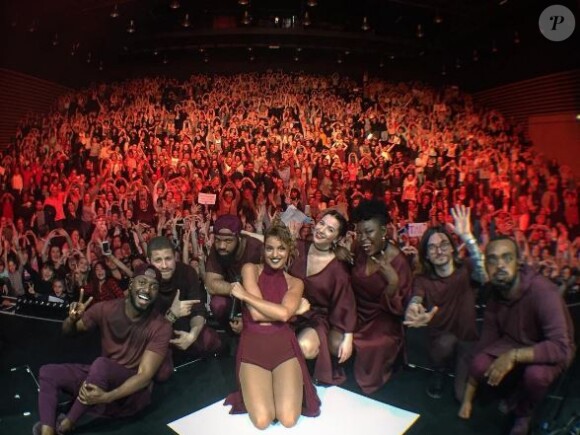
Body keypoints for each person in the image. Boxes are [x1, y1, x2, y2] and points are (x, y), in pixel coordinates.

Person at [33, 264, 173, 435]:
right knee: (48, 372)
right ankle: (47, 432)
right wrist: (71, 320)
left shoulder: (161, 326)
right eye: (142, 282)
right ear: (130, 285)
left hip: (129, 396)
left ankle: (66, 425)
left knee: (102, 365)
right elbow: (68, 332)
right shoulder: (106, 308)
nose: (147, 289)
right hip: (99, 379)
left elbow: (144, 376)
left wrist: (107, 397)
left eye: (154, 286)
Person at [458, 236, 575, 435]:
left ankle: (524, 413)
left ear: (518, 262)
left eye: (506, 258)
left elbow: (561, 347)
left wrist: (513, 356)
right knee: (479, 362)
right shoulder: (494, 292)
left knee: (535, 376)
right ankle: (515, 391)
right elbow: (486, 341)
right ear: (486, 266)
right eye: (492, 260)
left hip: (548, 347)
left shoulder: (544, 292)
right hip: (513, 341)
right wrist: (469, 391)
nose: (500, 265)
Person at [224, 221, 320, 429]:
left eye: (281, 248)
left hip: (284, 349)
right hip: (253, 350)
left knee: (288, 420)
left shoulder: (295, 282)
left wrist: (245, 296)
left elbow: (284, 315)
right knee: (262, 421)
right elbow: (257, 315)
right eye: (270, 248)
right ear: (263, 250)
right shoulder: (250, 269)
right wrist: (293, 310)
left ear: (289, 252)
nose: (275, 254)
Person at [404, 205, 487, 400]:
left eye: (443, 244)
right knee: (443, 345)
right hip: (441, 341)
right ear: (426, 254)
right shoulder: (423, 280)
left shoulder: (466, 269)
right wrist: (413, 308)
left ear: (452, 247)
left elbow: (484, 275)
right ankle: (438, 371)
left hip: (468, 341)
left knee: (461, 397)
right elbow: (416, 298)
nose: (438, 250)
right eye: (432, 247)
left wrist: (468, 238)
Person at [350, 199, 413, 394]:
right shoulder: (358, 248)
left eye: (369, 232)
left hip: (383, 317)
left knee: (375, 343)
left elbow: (401, 308)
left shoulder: (399, 262)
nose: (363, 238)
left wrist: (393, 282)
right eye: (359, 233)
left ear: (384, 232)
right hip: (357, 311)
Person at [288, 209, 357, 385]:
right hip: (289, 309)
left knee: (305, 347)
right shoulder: (297, 247)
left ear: (337, 238)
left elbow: (346, 303)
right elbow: (267, 244)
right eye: (321, 224)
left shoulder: (338, 269)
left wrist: (348, 338)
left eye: (330, 229)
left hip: (317, 317)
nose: (322, 230)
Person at [147, 236, 221, 361]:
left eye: (168, 259)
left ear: (175, 257)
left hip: (186, 327)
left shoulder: (187, 272)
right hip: (158, 334)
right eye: (158, 260)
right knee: (162, 371)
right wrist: (171, 315)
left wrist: (192, 335)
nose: (164, 265)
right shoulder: (143, 281)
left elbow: (198, 309)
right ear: (149, 261)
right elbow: (144, 328)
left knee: (211, 340)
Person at [204, 215, 263, 329]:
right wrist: (238, 291)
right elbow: (211, 284)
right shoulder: (216, 250)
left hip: (257, 298)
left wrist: (246, 296)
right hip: (233, 296)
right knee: (217, 304)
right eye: (218, 240)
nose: (222, 246)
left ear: (239, 238)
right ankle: (229, 332)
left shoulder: (257, 248)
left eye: (228, 241)